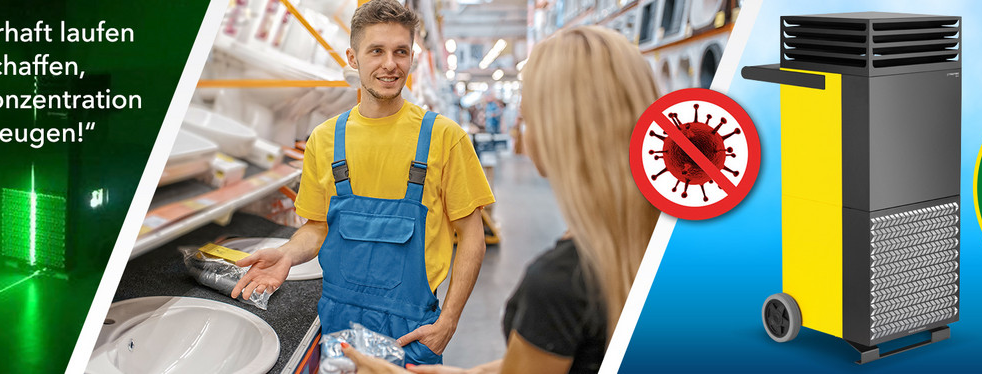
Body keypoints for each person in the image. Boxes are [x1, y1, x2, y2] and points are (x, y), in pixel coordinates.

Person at [340, 25, 661, 374]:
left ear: (556, 131)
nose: (522, 127)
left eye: (527, 116)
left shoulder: (561, 284)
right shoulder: (665, 239)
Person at [230, 0, 495, 366]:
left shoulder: (445, 137)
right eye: (376, 51)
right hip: (339, 323)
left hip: (412, 329)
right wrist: (287, 255)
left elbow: (472, 236)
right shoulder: (324, 140)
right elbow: (318, 227)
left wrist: (448, 322)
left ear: (412, 58)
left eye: (401, 52)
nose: (390, 64)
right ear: (353, 58)